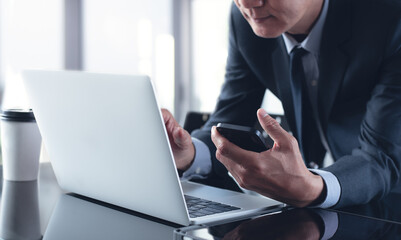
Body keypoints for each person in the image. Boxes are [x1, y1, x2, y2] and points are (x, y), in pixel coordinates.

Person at [162, 0, 401, 208]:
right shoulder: (246, 22)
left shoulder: (391, 20)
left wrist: (312, 188)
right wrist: (189, 154)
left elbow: (383, 156)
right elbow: (231, 116)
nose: (247, 3)